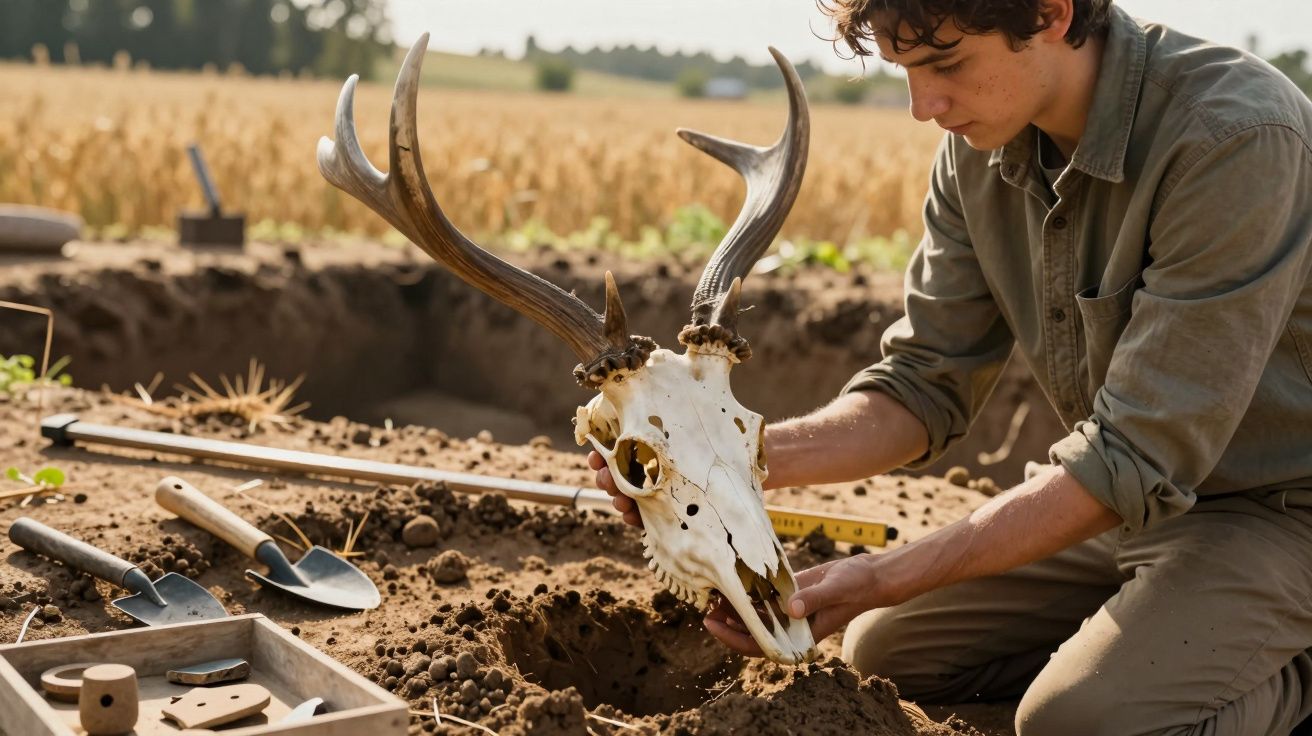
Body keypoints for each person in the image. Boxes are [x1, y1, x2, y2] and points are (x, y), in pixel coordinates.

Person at [590, 0, 1312, 733]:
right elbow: (922, 384)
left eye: (948, 64)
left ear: (1052, 13)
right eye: (905, 70)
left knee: (1074, 724)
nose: (922, 106)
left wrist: (883, 574)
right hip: (1137, 505)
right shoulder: (980, 147)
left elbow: (1135, 451)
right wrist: (724, 457)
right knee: (888, 651)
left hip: (1280, 512)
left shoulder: (1235, 137)